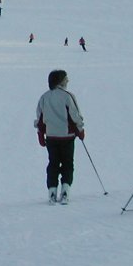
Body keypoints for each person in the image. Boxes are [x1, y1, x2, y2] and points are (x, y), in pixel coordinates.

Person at [35, 70, 85, 204]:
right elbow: (75, 115)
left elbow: (40, 118)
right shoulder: (68, 96)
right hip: (67, 136)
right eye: (66, 79)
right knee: (68, 163)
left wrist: (41, 133)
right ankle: (65, 190)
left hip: (51, 136)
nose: (67, 81)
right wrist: (80, 130)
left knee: (53, 163)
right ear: (60, 81)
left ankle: (52, 191)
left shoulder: (44, 97)